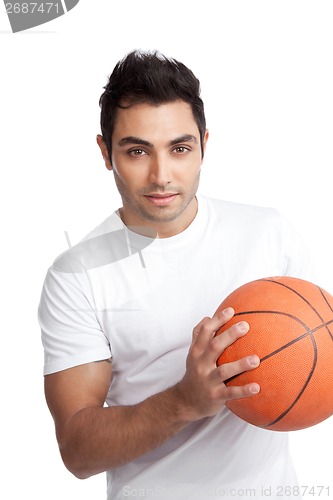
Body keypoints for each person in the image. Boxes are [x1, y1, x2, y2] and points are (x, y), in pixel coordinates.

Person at [38, 50, 314, 500]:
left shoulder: (270, 233)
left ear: (204, 144)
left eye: (180, 148)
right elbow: (77, 451)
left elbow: (321, 359)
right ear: (105, 153)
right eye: (137, 151)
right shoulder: (77, 276)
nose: (161, 175)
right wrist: (185, 400)